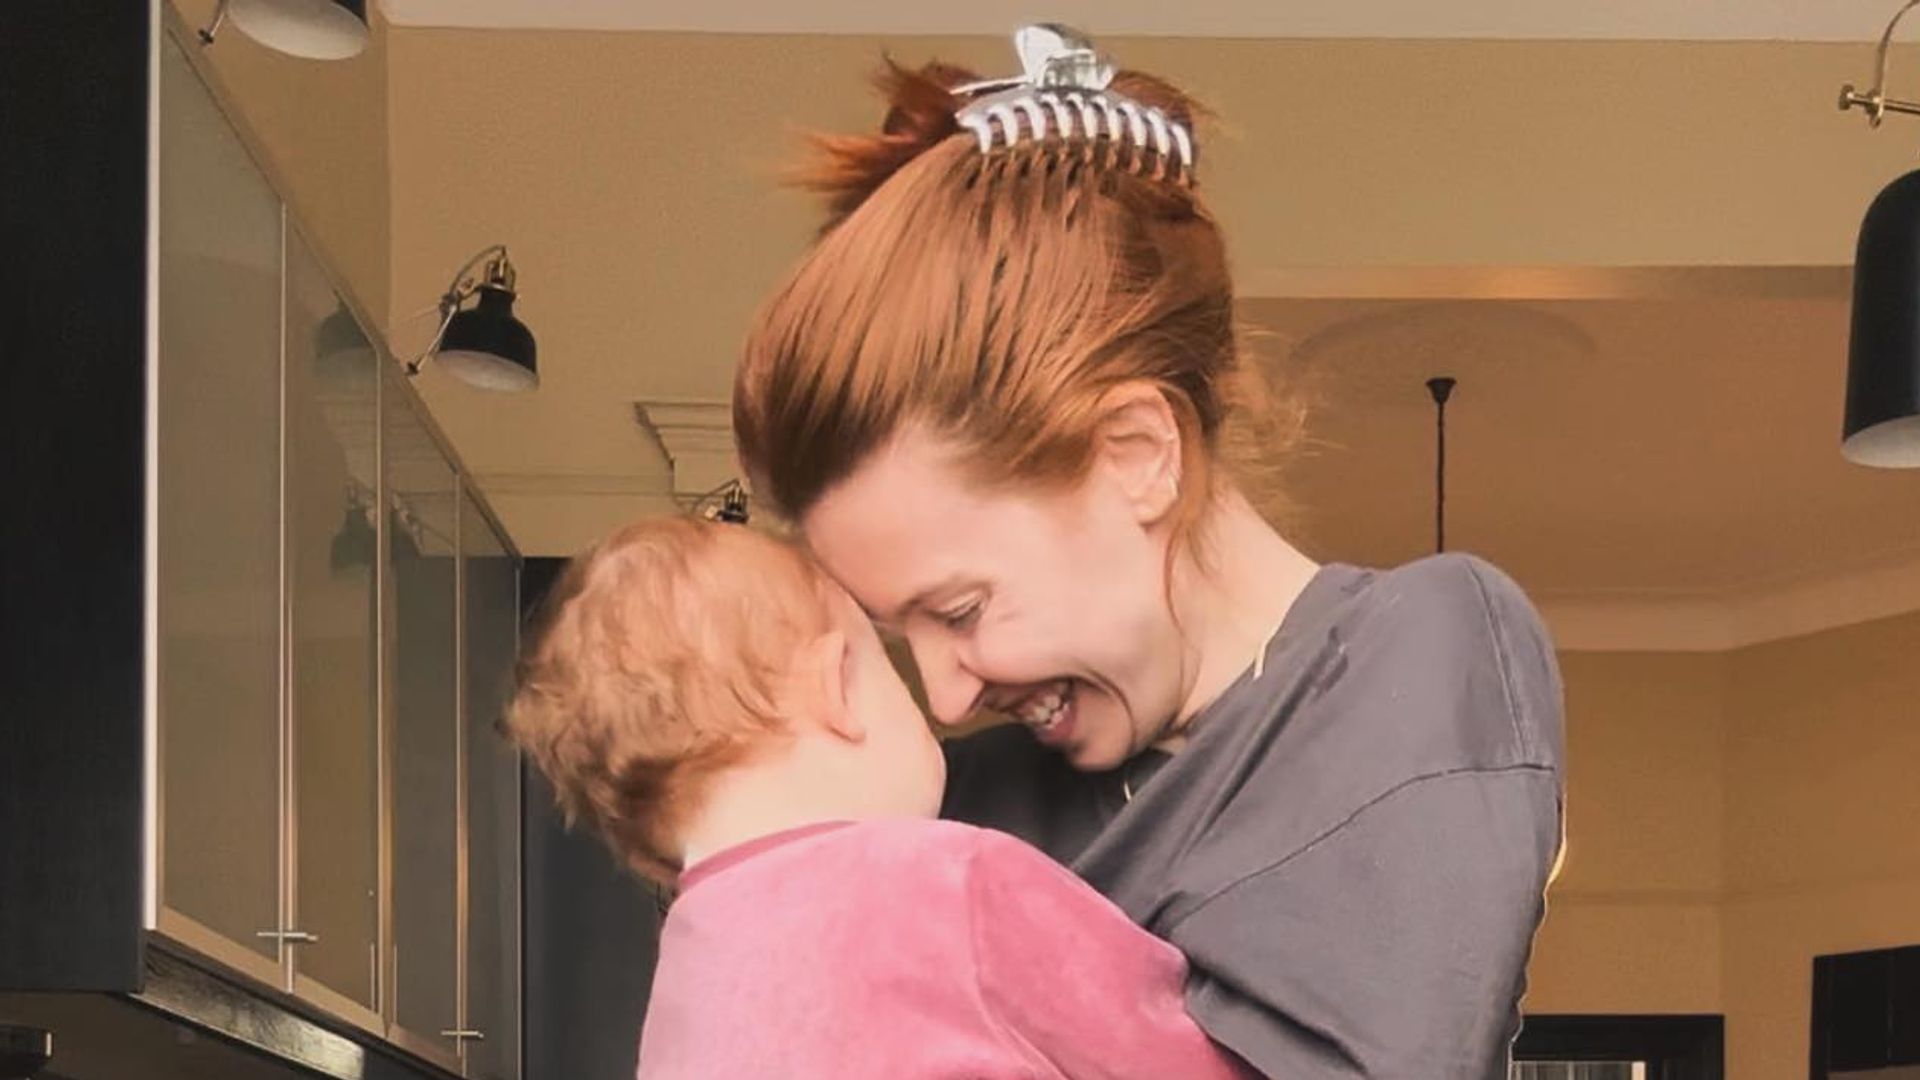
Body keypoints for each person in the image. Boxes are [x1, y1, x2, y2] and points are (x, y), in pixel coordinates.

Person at [730, 24, 1567, 1078]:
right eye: (900, 635)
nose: (944, 698)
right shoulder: (960, 802)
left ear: (1137, 454)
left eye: (961, 610)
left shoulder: (1417, 654)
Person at [503, 517, 1254, 1080]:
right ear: (837, 687)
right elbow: (1168, 1056)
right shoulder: (950, 881)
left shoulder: (685, 976)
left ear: (652, 859)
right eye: (888, 662)